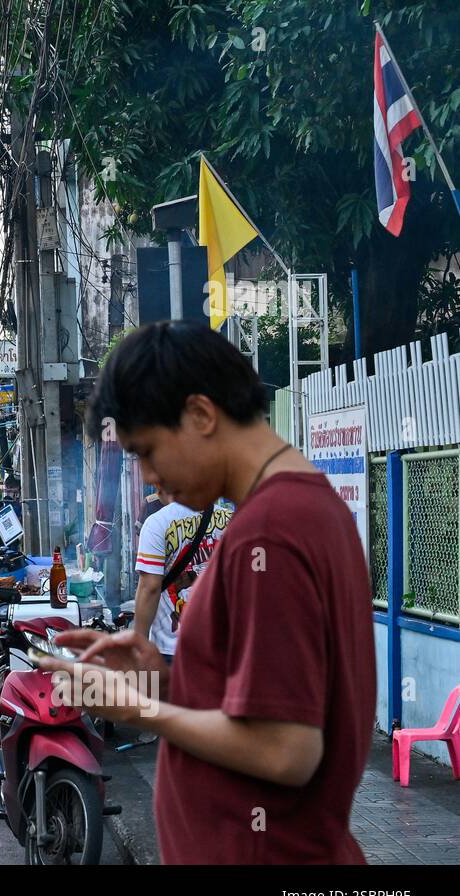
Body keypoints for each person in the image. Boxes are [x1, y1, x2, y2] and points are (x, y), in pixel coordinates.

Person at [36, 321, 375, 865]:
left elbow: (287, 750)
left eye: (147, 451)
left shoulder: (272, 530)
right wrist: (170, 677)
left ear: (199, 415)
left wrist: (141, 709)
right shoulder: (293, 510)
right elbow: (255, 700)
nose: (147, 477)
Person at [134, 485, 231, 662]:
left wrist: (136, 646)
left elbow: (150, 588)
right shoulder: (230, 519)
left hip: (171, 651)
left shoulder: (157, 524)